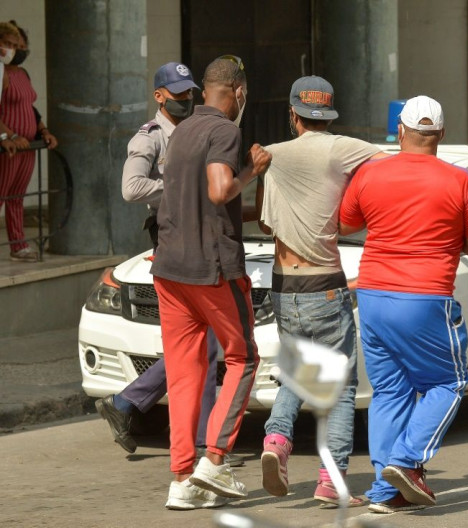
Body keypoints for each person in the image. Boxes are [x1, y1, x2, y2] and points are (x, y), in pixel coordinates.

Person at [339, 95, 468, 513]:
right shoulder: (461, 180)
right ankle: (406, 462)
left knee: (390, 390)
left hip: (372, 295)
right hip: (425, 297)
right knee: (450, 382)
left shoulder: (370, 174)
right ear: (440, 134)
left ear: (400, 132)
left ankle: (385, 491)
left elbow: (347, 223)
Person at [96, 62, 244, 467]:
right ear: (159, 97)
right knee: (204, 346)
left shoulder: (193, 129)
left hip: (192, 237)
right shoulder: (152, 136)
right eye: (176, 94)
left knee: (200, 345)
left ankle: (135, 406)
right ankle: (198, 443)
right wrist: (177, 190)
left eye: (189, 92)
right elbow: (131, 188)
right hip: (174, 239)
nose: (185, 100)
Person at [256, 75, 385, 507]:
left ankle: (275, 439)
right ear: (328, 115)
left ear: (292, 115)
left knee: (300, 370)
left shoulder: (271, 156)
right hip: (323, 282)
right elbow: (389, 164)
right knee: (342, 385)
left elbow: (264, 223)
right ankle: (331, 482)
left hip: (283, 283)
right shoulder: (340, 147)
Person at [151, 55, 271, 510]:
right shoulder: (225, 130)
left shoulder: (181, 130)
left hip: (169, 270)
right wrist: (251, 173)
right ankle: (214, 460)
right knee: (242, 357)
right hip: (212, 270)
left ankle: (182, 477)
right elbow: (220, 189)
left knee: (184, 375)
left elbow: (197, 198)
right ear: (238, 91)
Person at [0, 20, 57, 262]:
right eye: (10, 44)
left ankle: (18, 245)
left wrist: (43, 131)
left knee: (16, 196)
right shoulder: (1, 74)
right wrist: (8, 135)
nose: (15, 50)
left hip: (28, 146)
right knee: (2, 193)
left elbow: (29, 107)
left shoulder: (21, 73)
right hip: (9, 148)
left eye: (18, 45)